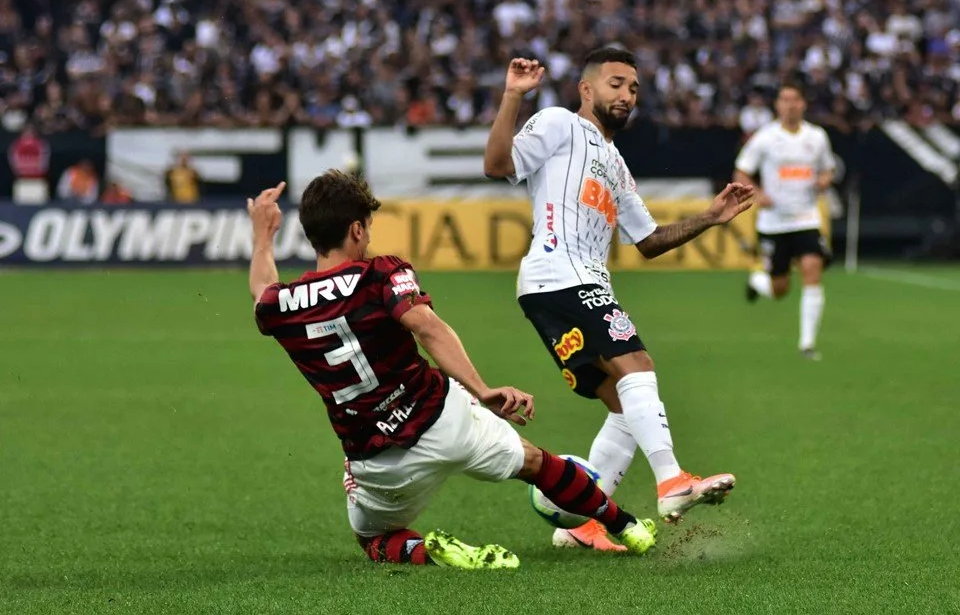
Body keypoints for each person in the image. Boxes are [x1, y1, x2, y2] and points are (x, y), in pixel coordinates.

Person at [248, 171, 658, 569]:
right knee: (537, 464)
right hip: (444, 418)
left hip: (377, 461)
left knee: (372, 539)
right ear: (356, 229)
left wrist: (263, 237)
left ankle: (430, 551)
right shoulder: (379, 274)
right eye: (368, 228)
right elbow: (426, 326)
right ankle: (628, 526)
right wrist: (482, 389)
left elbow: (262, 291)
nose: (369, 237)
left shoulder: (281, 304)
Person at [483, 48, 755, 551]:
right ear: (587, 90)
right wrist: (512, 97)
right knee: (638, 366)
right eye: (615, 84)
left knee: (626, 407)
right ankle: (671, 481)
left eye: (633, 88)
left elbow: (648, 241)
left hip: (576, 286)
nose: (626, 95)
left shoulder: (615, 163)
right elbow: (496, 163)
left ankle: (582, 524)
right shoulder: (559, 123)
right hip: (560, 277)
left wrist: (710, 219)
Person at [733, 82, 836, 361]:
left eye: (795, 99)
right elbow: (741, 172)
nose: (790, 105)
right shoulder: (765, 138)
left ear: (803, 104)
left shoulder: (817, 136)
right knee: (780, 289)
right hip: (773, 223)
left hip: (806, 218)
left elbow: (828, 168)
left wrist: (826, 179)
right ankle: (758, 282)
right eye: (785, 100)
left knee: (812, 271)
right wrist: (758, 194)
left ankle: (807, 344)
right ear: (777, 105)